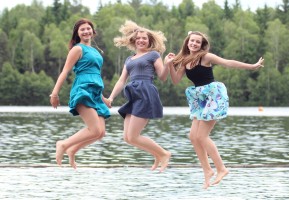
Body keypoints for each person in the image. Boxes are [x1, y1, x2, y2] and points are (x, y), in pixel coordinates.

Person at [164, 31, 264, 188]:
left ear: (202, 45)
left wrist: (251, 66)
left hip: (213, 96)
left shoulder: (206, 57)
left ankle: (222, 168)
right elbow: (176, 80)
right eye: (192, 41)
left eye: (198, 42)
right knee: (193, 136)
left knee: (202, 136)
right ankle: (207, 170)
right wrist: (169, 64)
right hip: (199, 97)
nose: (194, 44)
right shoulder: (184, 61)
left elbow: (228, 62)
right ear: (187, 42)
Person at [106, 20, 171, 172]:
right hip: (134, 94)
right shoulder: (129, 59)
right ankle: (157, 155)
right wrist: (110, 98)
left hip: (145, 93)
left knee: (134, 136)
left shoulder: (153, 55)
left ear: (149, 41)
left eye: (144, 38)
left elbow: (162, 76)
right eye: (139, 38)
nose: (141, 40)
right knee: (127, 138)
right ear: (134, 40)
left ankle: (164, 153)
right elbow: (122, 80)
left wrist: (167, 64)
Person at [50, 18, 110, 169]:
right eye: (82, 29)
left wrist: (104, 98)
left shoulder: (96, 51)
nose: (86, 31)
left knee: (100, 133)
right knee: (94, 129)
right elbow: (65, 71)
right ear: (77, 33)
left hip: (96, 93)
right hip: (83, 90)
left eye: (88, 28)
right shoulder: (77, 49)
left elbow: (95, 76)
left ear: (93, 31)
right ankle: (63, 144)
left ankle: (72, 150)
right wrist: (55, 94)